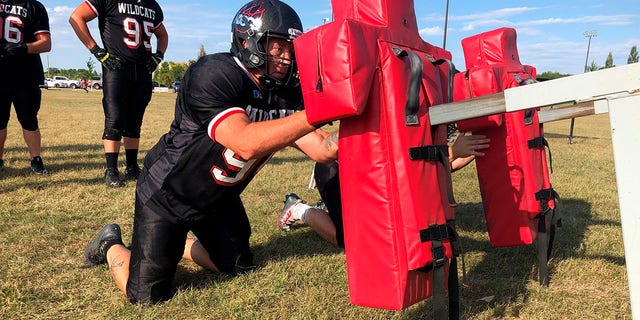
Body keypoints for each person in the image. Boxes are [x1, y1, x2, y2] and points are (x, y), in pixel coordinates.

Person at [82, 0, 338, 304]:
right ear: (248, 41)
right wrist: (318, 111)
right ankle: (111, 243)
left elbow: (322, 149)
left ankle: (176, 247)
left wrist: (359, 118)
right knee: (146, 297)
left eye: (290, 50)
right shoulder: (216, 72)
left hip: (218, 200)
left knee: (239, 266)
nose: (285, 59)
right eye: (277, 48)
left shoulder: (284, 93)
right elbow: (244, 141)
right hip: (169, 195)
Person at [277, 132, 491, 248]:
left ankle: (336, 206)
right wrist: (451, 152)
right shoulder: (404, 113)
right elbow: (406, 163)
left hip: (369, 175)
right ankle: (297, 209)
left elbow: (438, 167)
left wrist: (478, 146)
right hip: (338, 168)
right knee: (348, 241)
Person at [69, 0, 169, 187]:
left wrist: (159, 55)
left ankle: (131, 167)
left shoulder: (152, 5)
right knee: (114, 119)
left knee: (134, 120)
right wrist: (97, 51)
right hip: (116, 66)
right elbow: (76, 17)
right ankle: (111, 170)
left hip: (142, 69)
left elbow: (162, 35)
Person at [0, 0, 51, 174]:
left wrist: (23, 48)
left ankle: (36, 159)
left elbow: (46, 43)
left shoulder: (33, 6)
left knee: (29, 120)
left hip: (26, 74)